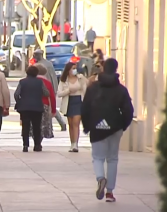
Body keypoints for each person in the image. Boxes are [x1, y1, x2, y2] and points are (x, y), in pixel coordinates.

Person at [81, 58, 134, 202]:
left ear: (103, 68)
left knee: (97, 157)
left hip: (97, 127)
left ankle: (100, 178)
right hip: (115, 127)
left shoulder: (93, 88)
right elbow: (128, 110)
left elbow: (85, 108)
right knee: (112, 159)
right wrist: (123, 125)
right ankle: (110, 192)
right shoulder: (121, 90)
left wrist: (87, 126)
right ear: (116, 69)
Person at [14, 66, 50, 152]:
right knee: (36, 127)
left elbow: (16, 94)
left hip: (24, 107)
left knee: (25, 126)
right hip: (37, 107)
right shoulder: (40, 82)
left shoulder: (22, 82)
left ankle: (25, 145)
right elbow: (46, 93)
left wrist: (20, 101)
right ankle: (37, 145)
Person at [32, 49, 67, 131]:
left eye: (36, 55)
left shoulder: (44, 64)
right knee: (48, 107)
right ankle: (59, 124)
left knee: (49, 107)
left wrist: (54, 88)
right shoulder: (42, 64)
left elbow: (53, 76)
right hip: (45, 87)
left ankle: (56, 124)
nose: (34, 57)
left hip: (47, 86)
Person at [57, 62, 88, 152]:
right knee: (70, 124)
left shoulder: (80, 78)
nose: (74, 70)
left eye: (75, 68)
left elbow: (85, 90)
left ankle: (76, 144)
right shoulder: (64, 80)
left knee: (76, 123)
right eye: (72, 68)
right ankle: (72, 143)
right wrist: (68, 90)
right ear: (68, 70)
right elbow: (59, 93)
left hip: (78, 101)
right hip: (69, 102)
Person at [31, 63, 56, 139]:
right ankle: (39, 140)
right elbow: (52, 97)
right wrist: (53, 110)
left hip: (33, 105)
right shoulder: (47, 83)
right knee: (42, 124)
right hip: (44, 105)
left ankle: (35, 138)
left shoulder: (31, 81)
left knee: (34, 123)